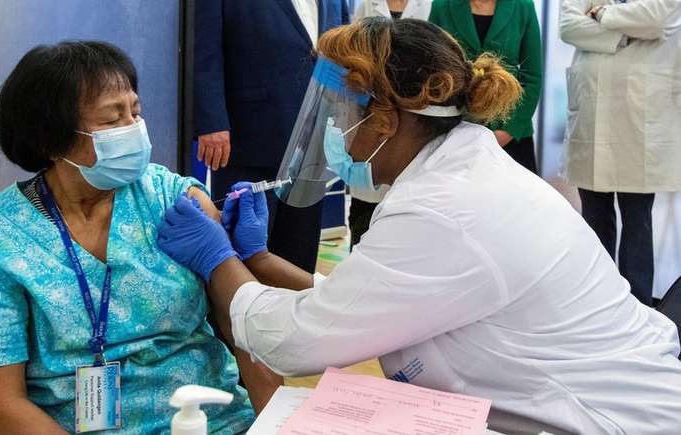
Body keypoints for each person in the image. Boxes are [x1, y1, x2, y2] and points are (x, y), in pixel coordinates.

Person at [157, 18, 681, 434]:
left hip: (609, 420)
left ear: (384, 121)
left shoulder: (446, 209)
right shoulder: (458, 172)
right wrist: (261, 261)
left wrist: (217, 258)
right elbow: (374, 302)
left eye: (339, 115)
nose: (335, 130)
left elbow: (296, 342)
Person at [0, 41, 277, 434]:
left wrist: (275, 425)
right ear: (49, 139)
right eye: (112, 120)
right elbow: (0, 407)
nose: (133, 129)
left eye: (136, 112)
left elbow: (248, 330)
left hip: (211, 421)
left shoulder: (176, 203)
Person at [193, 0, 350, 273]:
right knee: (245, 249)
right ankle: (236, 313)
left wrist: (345, 116)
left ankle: (294, 309)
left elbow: (347, 51)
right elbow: (204, 53)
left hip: (314, 140)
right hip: (250, 134)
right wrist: (212, 122)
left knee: (300, 249)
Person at [560, 0, 681, 306]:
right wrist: (625, 34)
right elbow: (569, 26)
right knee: (594, 218)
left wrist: (602, 14)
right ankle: (596, 300)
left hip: (639, 118)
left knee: (637, 219)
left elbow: (656, 20)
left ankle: (637, 304)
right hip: (592, 112)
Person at [349, 0, 433, 248]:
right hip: (373, 117)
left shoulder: (430, 5)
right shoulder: (367, 5)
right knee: (365, 218)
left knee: (406, 219)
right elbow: (353, 55)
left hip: (414, 119)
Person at [428, 0, 542, 175]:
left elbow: (532, 77)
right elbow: (431, 70)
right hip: (455, 130)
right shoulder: (442, 6)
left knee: (514, 199)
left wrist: (509, 130)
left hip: (510, 128)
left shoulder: (523, 6)